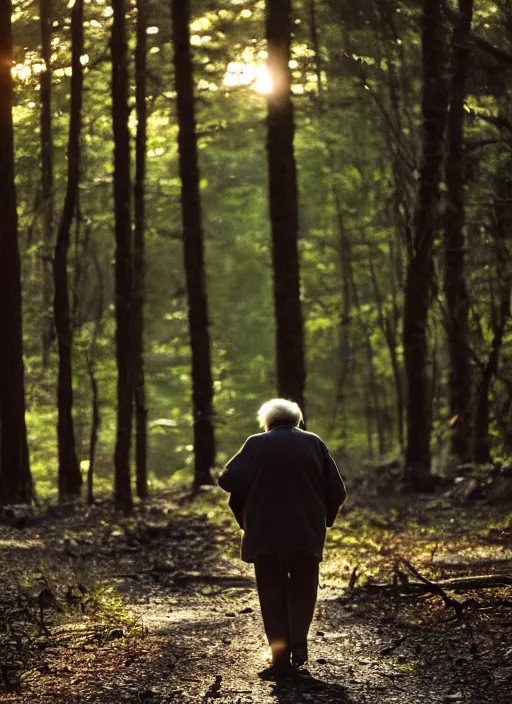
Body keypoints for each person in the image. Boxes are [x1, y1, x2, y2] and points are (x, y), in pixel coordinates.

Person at [218, 398, 347, 677]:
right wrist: (326, 520)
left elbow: (227, 481)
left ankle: (279, 657)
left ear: (268, 422)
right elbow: (337, 491)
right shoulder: (315, 444)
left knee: (271, 592)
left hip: (265, 535)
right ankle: (298, 645)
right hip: (305, 533)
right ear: (297, 421)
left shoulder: (255, 444)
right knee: (304, 588)